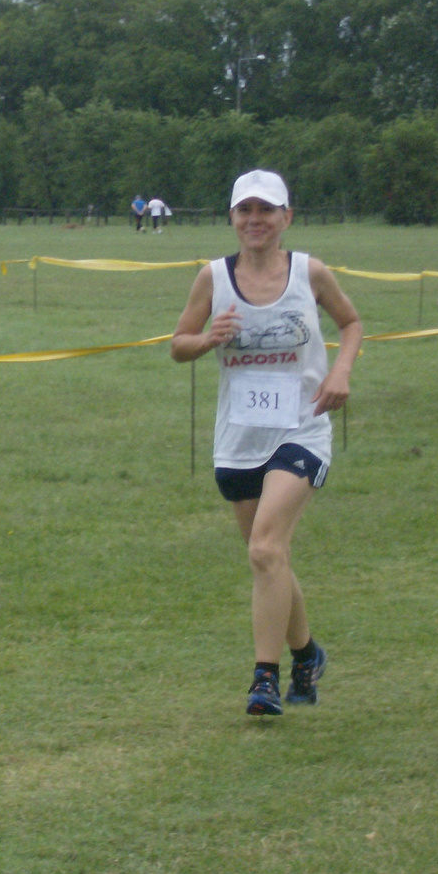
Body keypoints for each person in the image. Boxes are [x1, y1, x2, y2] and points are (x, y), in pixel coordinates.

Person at [170, 169, 362, 716]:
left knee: (264, 548)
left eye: (267, 210)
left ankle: (264, 679)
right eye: (245, 210)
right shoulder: (213, 278)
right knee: (269, 558)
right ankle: (307, 653)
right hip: (238, 436)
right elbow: (177, 345)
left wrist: (341, 371)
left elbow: (351, 323)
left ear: (286, 218)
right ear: (232, 218)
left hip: (302, 427)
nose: (255, 220)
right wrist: (207, 339)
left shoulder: (310, 272)